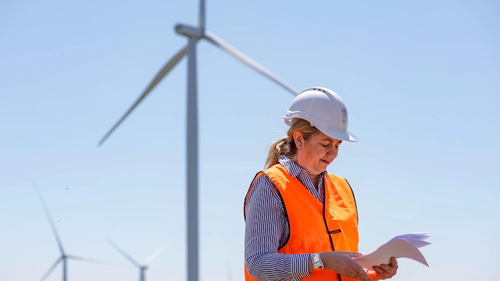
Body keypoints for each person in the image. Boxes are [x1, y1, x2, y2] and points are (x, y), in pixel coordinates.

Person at [243, 87, 399, 281]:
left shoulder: (343, 188)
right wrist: (319, 261)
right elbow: (258, 264)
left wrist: (372, 271)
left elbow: (337, 267)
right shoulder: (271, 186)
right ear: (299, 139)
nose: (333, 154)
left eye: (337, 145)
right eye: (325, 144)